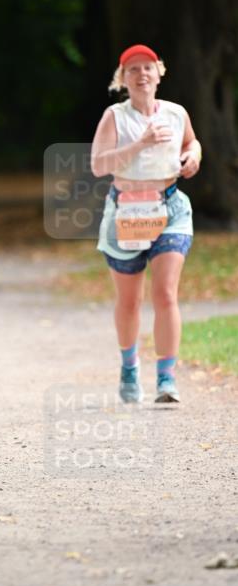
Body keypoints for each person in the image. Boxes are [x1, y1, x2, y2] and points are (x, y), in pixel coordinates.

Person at [91, 44, 201, 403]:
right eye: (133, 69)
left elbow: (192, 143)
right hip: (126, 212)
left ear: (159, 73)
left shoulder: (176, 113)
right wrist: (140, 143)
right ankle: (129, 368)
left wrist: (191, 157)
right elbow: (98, 165)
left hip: (169, 208)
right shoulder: (114, 116)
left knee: (166, 292)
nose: (141, 74)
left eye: (147, 68)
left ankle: (167, 378)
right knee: (130, 301)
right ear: (123, 78)